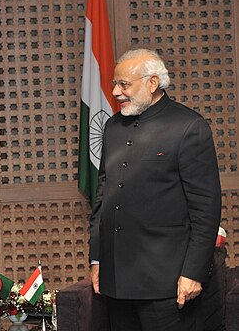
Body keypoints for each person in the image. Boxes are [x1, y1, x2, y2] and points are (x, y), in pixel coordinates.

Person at [89, 49, 221, 331]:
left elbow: (205, 209)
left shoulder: (189, 127)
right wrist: (98, 258)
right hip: (117, 281)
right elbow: (103, 196)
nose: (115, 92)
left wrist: (193, 272)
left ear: (152, 83)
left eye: (124, 84)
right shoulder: (112, 127)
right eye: (115, 83)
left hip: (168, 284)